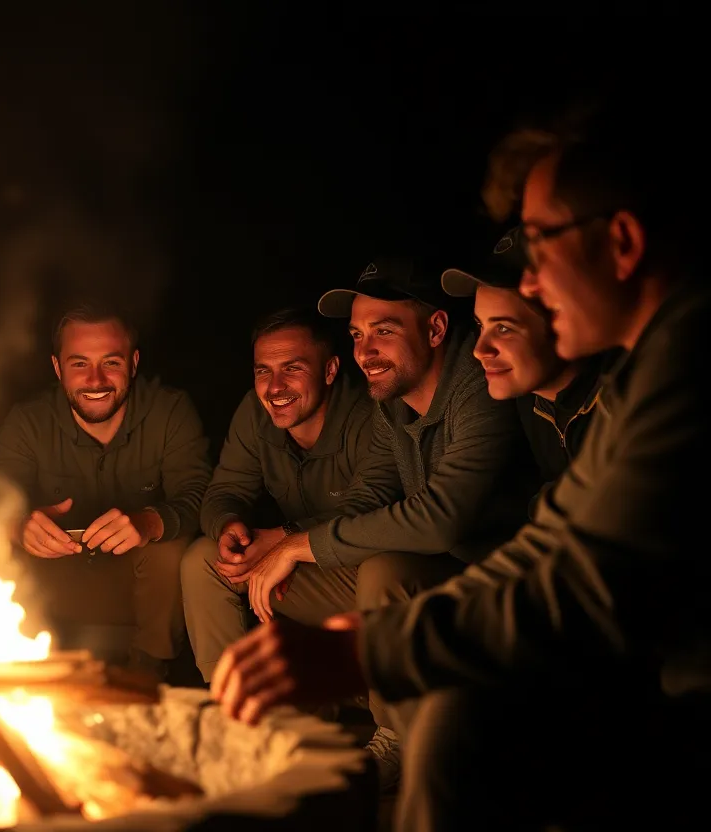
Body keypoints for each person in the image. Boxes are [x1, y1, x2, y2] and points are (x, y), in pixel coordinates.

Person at [209, 96, 710, 830]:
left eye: (541, 245)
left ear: (624, 242)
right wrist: (348, 628)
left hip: (680, 690)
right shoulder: (643, 371)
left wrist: (374, 648)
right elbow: (550, 545)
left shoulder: (691, 365)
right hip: (621, 660)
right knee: (454, 720)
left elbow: (585, 587)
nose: (532, 283)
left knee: (460, 723)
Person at [235, 258, 537, 786]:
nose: (364, 351)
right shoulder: (393, 402)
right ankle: (274, 718)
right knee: (246, 570)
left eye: (384, 331)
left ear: (437, 329)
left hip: (500, 579)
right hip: (439, 570)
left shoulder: (481, 387)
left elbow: (442, 518)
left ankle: (395, 738)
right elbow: (368, 496)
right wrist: (288, 544)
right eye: (356, 335)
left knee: (382, 573)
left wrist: (298, 545)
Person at [0, 301, 212, 679]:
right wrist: (18, 525)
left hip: (141, 591)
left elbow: (201, 495)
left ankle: (147, 677)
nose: (95, 380)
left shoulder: (170, 411)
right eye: (79, 364)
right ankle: (16, 675)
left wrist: (148, 522)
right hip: (50, 591)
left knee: (174, 547)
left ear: (134, 363)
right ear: (58, 368)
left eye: (111, 362)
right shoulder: (28, 422)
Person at [180, 307, 375, 682]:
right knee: (205, 558)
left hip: (362, 573)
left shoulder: (367, 416)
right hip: (300, 567)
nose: (274, 387)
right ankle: (230, 703)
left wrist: (286, 538)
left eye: (293, 368)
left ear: (330, 370)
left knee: (383, 575)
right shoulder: (255, 412)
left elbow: (375, 513)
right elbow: (224, 490)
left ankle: (382, 710)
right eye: (263, 371)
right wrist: (228, 526)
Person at [441, 225, 617, 487]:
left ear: (561, 320)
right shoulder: (531, 402)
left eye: (503, 328)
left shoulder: (617, 407)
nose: (479, 350)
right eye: (480, 326)